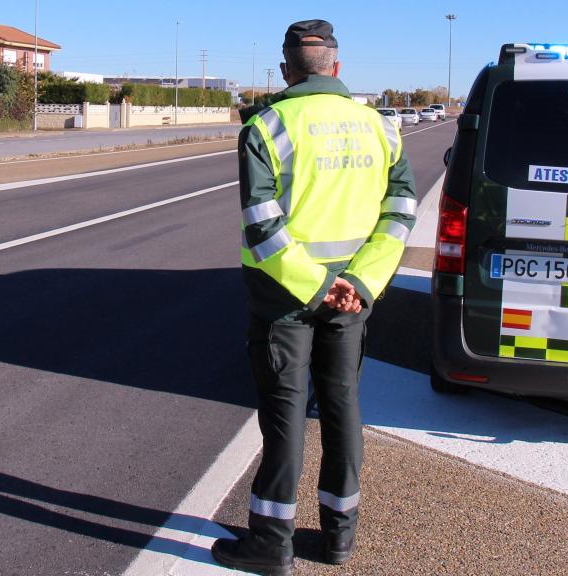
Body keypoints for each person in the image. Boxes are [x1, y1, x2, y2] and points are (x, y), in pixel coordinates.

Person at [211, 18, 416, 576]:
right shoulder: (380, 128)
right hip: (354, 297)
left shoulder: (269, 126)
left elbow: (262, 224)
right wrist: (362, 283)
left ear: (286, 70)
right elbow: (400, 213)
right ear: (337, 68)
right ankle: (339, 537)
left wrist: (318, 285)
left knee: (284, 415)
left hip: (284, 296)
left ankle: (271, 544)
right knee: (343, 405)